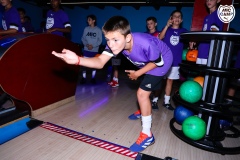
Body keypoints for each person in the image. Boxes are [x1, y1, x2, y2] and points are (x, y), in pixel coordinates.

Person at [52, 16, 173, 152]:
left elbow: (158, 63)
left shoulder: (145, 43)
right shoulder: (115, 43)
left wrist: (137, 73)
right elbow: (100, 62)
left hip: (162, 61)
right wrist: (78, 60)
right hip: (147, 60)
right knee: (144, 91)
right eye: (108, 40)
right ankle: (144, 108)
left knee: (142, 93)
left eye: (115, 40)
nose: (111, 44)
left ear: (127, 38)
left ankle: (147, 135)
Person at [158, 10, 188, 110]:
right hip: (164, 60)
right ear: (171, 19)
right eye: (175, 16)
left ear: (181, 20)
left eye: (179, 16)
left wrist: (192, 42)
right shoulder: (166, 29)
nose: (177, 18)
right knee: (158, 81)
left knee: (170, 81)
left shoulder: (184, 31)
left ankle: (166, 102)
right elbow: (160, 37)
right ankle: (154, 100)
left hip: (176, 62)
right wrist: (166, 26)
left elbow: (190, 41)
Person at [190, 0, 223, 65]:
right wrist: (195, 39)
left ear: (218, 0)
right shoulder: (207, 17)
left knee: (207, 74)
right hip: (202, 51)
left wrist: (197, 38)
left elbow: (214, 33)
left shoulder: (217, 14)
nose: (209, 1)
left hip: (209, 53)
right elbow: (205, 33)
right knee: (200, 74)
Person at [145, 16, 162, 110]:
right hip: (148, 62)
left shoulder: (160, 34)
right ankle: (148, 99)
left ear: (155, 24)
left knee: (158, 83)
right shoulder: (145, 35)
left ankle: (155, 101)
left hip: (159, 62)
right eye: (148, 24)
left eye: (151, 23)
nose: (149, 25)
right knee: (148, 82)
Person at [80, 14, 102, 84]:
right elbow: (83, 38)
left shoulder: (98, 30)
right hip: (86, 50)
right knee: (84, 65)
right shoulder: (86, 29)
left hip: (94, 50)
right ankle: (83, 78)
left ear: (93, 21)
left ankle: (93, 78)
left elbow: (100, 40)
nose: (87, 21)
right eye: (87, 20)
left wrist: (93, 46)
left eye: (89, 19)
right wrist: (86, 45)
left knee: (94, 65)